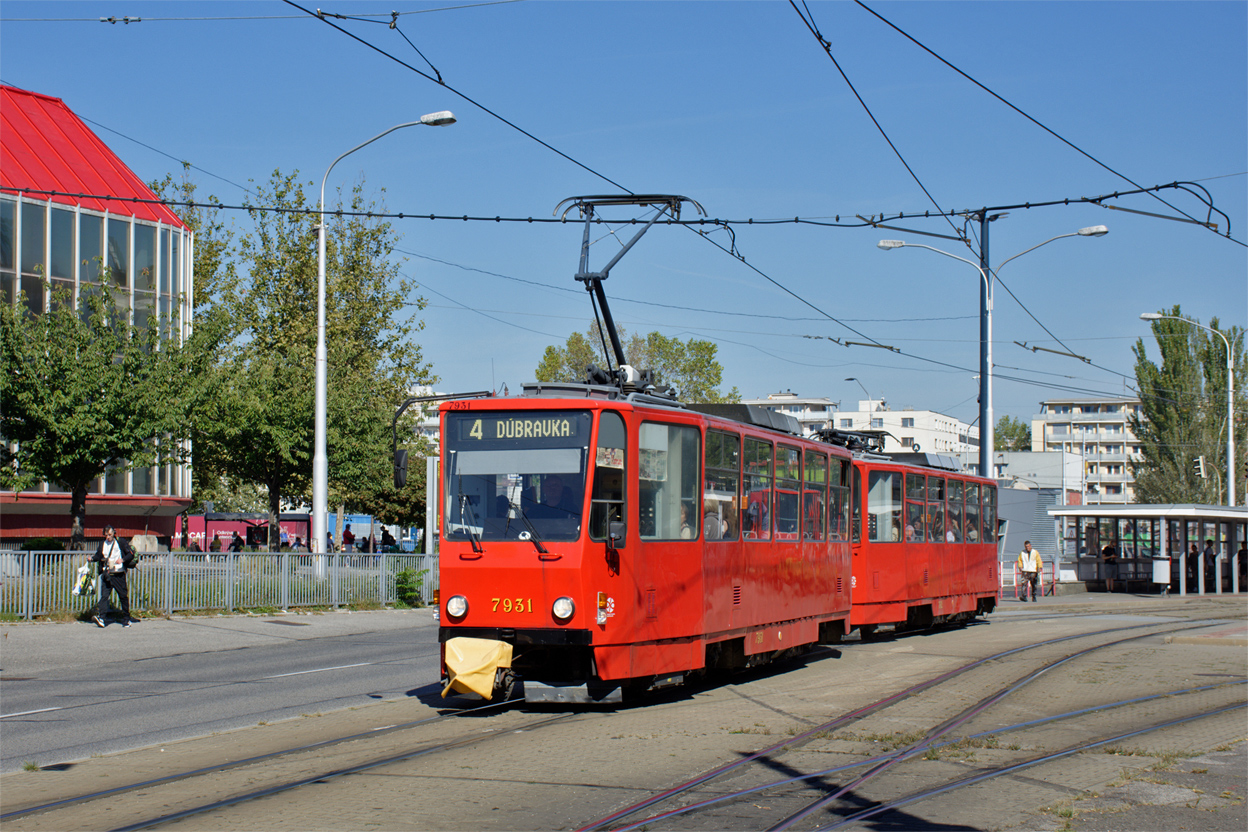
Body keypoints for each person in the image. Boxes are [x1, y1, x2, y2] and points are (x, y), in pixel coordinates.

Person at [89, 525, 136, 627]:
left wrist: (122, 560)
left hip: (118, 574)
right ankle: (102, 618)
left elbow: (130, 554)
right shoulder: (102, 544)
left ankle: (126, 618)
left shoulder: (121, 542)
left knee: (123, 596)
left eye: (109, 535)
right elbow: (98, 555)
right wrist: (92, 559)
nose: (108, 537)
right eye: (106, 535)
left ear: (114, 533)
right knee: (104, 596)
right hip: (107, 573)